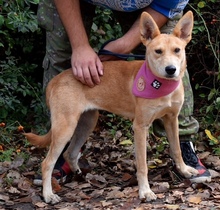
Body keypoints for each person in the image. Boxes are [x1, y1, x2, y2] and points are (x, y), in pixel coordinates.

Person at [34, 0, 211, 186]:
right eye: (160, 52)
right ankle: (61, 148)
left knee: (174, 77)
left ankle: (183, 149)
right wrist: (79, 46)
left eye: (176, 51)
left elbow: (167, 5)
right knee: (64, 59)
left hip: (152, 5)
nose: (169, 61)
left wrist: (125, 44)